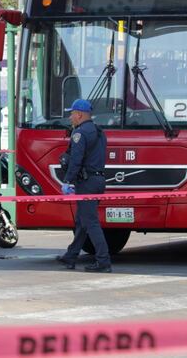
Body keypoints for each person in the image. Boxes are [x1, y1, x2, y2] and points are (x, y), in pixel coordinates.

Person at [56, 98, 111, 273]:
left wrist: (67, 181)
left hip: (86, 183)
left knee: (91, 222)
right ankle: (71, 255)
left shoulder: (79, 134)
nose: (70, 117)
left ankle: (103, 261)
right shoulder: (99, 132)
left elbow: (76, 160)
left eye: (72, 114)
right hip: (99, 181)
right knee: (82, 220)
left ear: (79, 114)